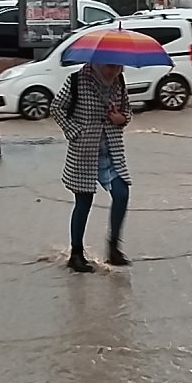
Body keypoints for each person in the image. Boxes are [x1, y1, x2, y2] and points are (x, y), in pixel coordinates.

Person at [52, 62, 133, 273]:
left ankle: (113, 248)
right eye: (109, 66)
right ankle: (76, 254)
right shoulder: (77, 80)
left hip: (111, 152)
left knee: (122, 193)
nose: (113, 71)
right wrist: (74, 132)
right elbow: (56, 108)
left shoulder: (119, 82)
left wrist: (121, 118)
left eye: (117, 68)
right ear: (97, 63)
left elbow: (127, 112)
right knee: (84, 200)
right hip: (84, 152)